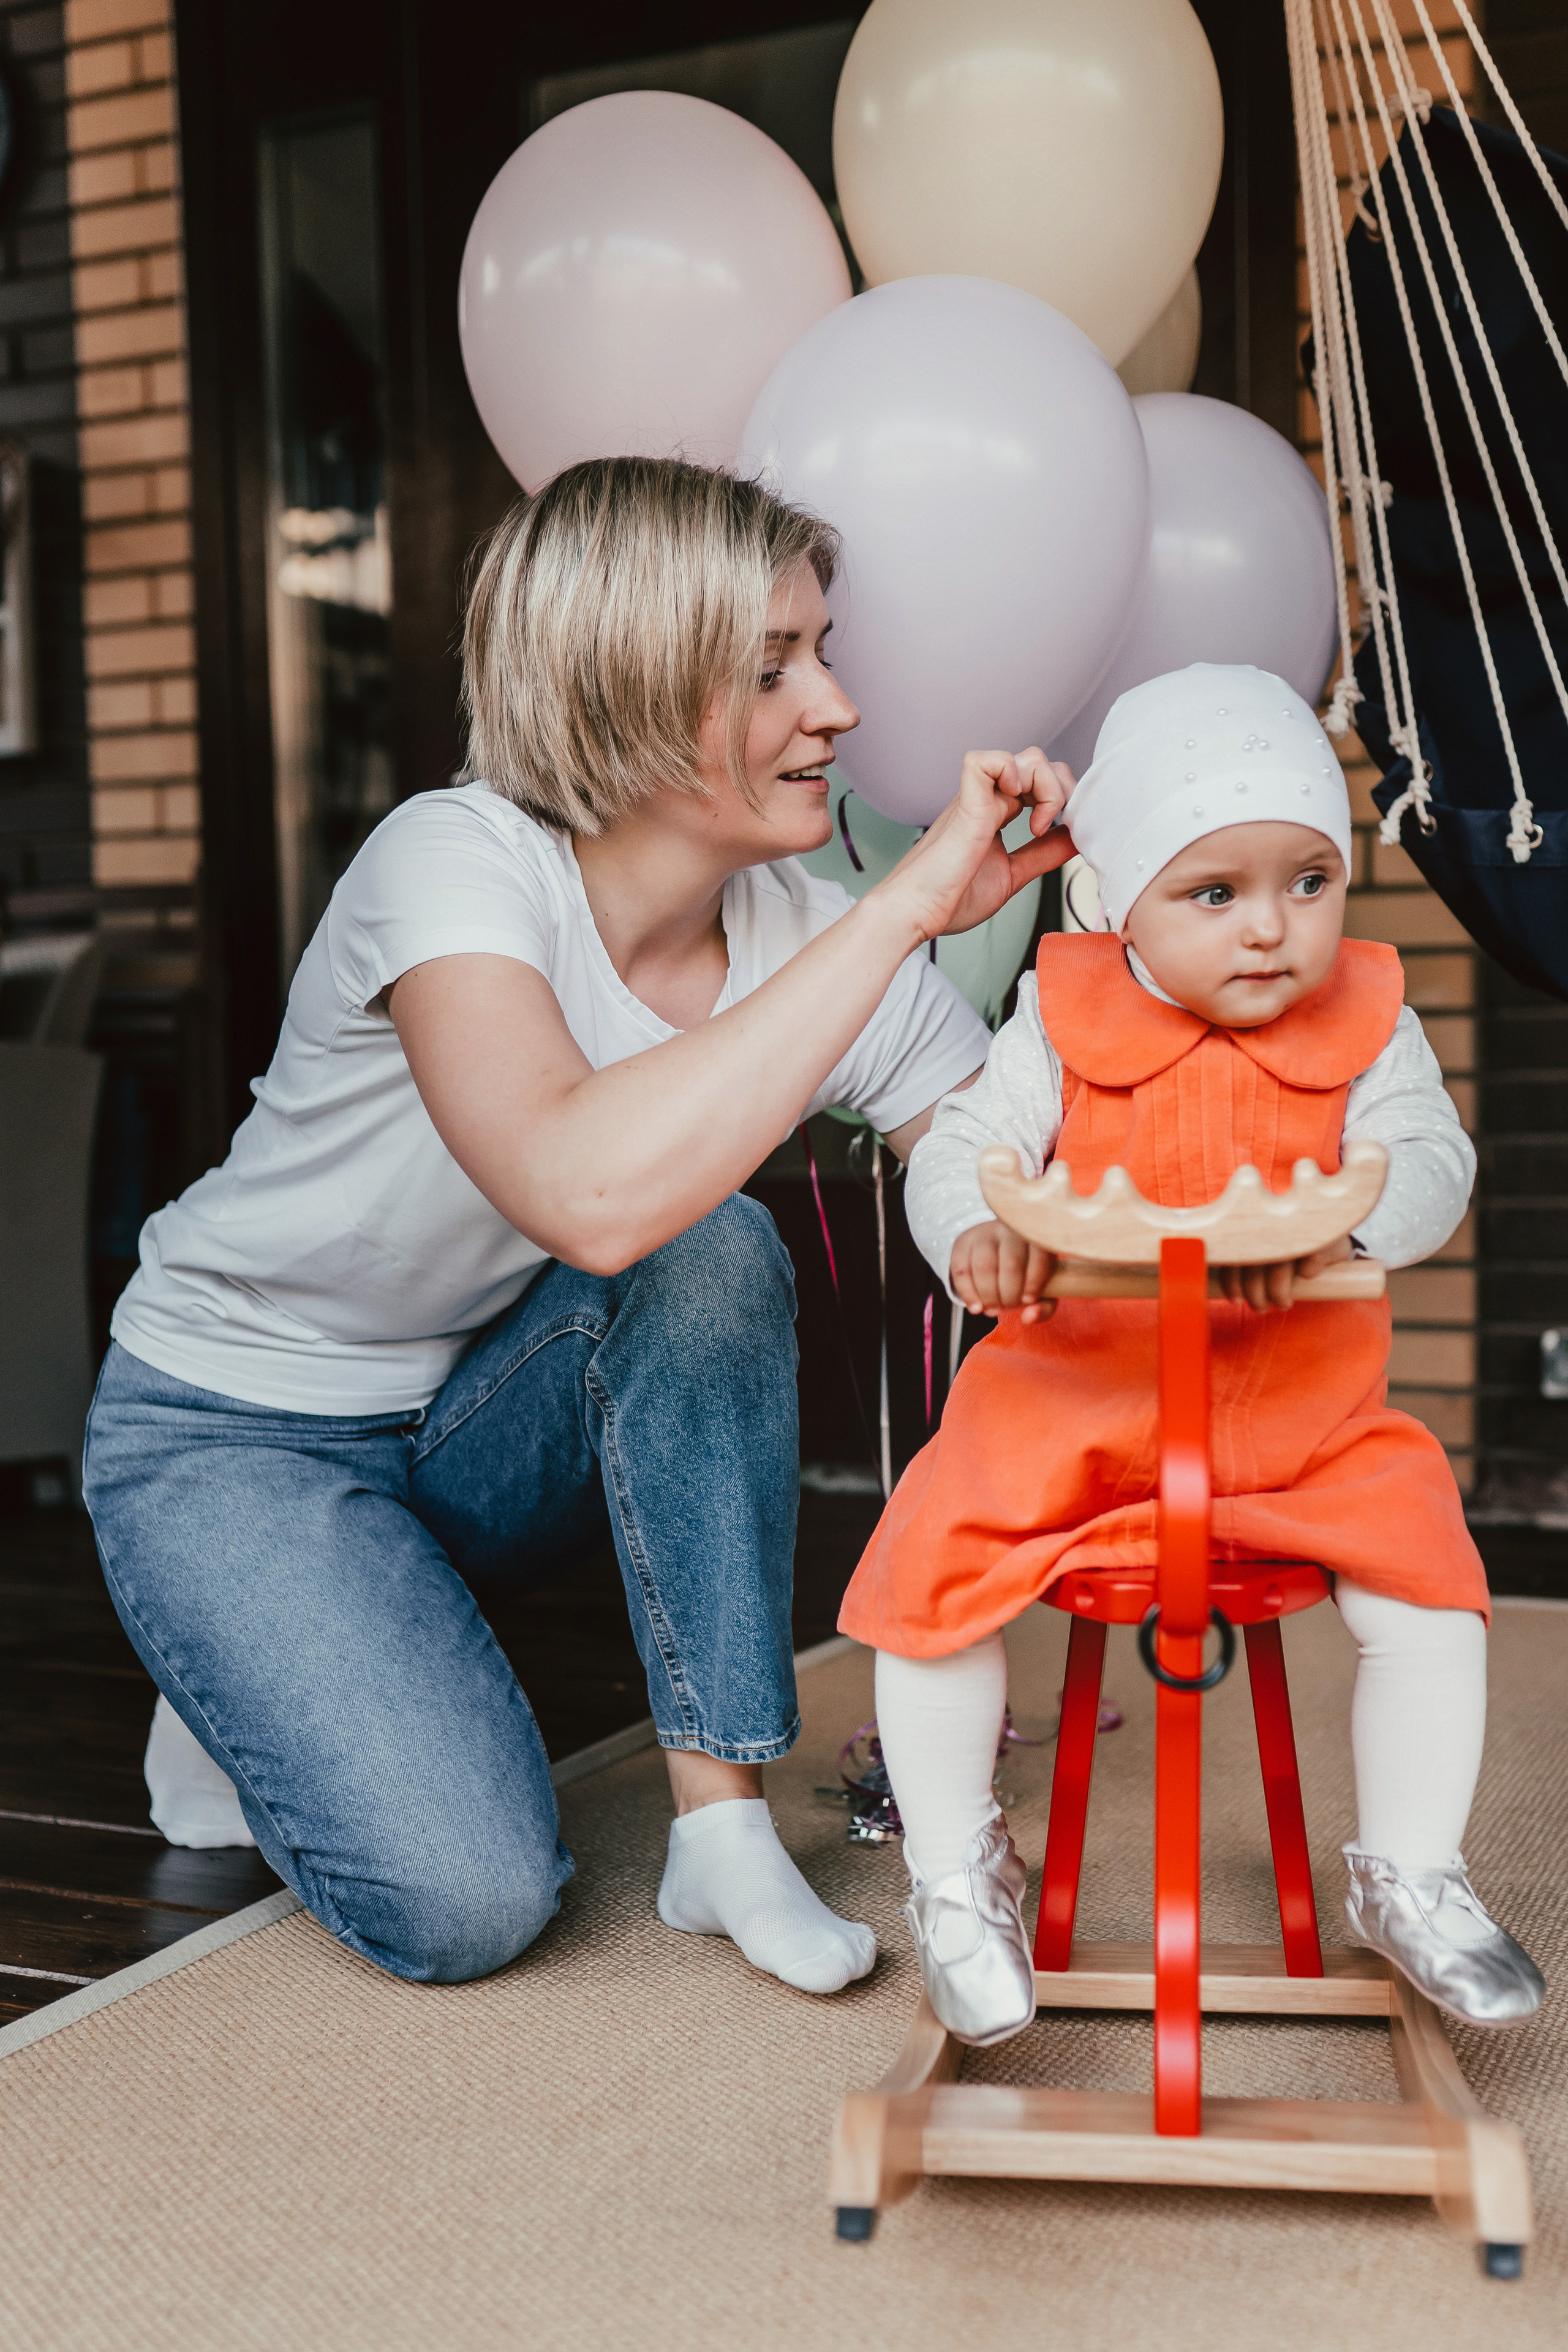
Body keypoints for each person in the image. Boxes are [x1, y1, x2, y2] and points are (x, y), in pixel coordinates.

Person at [82, 456, 1072, 1995]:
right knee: (470, 1905)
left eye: (823, 650)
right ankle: (248, 1637)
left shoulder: (801, 940)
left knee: (716, 1250)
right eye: (771, 670)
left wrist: (1148, 950)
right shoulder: (455, 863)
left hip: (479, 1411)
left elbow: (999, 1178)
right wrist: (896, 915)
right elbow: (584, 1194)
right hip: (233, 1429)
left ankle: (719, 1829)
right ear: (624, 695)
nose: (839, 708)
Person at [839, 663, 1546, 2045]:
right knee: (927, 1572)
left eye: (1306, 881)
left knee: (1428, 1583)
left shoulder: (1369, 1022)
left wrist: (1356, 1223)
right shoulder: (1058, 1016)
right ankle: (952, 1874)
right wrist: (975, 1233)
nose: (1272, 930)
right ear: (1113, 907)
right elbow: (965, 1154)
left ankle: (1409, 1868)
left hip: (1299, 1416)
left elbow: (1432, 1165)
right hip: (1069, 1406)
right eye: (1212, 895)